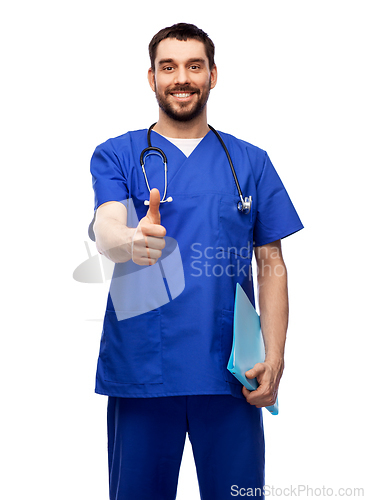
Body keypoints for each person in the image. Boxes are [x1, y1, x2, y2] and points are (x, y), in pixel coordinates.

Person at [89, 23, 303, 500]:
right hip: (143, 370)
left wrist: (275, 356)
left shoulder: (249, 162)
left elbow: (272, 263)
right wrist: (128, 239)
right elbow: (105, 226)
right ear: (152, 78)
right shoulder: (118, 155)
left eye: (193, 66)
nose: (181, 77)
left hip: (231, 374)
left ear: (212, 76)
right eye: (168, 67)